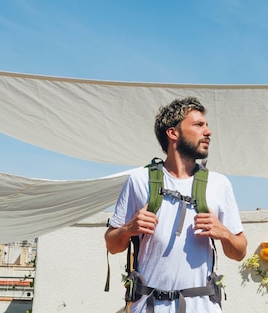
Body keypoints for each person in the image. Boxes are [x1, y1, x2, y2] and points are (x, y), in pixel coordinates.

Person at [105, 96, 247, 313]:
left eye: (206, 125)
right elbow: (112, 245)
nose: (208, 132)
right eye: (199, 125)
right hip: (149, 306)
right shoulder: (139, 180)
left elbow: (239, 252)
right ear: (173, 133)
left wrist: (224, 233)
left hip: (202, 307)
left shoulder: (219, 184)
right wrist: (128, 229)